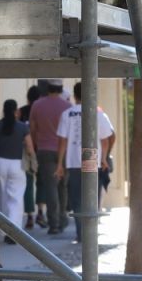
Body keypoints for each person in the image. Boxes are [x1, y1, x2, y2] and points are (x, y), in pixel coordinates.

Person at [55, 82, 116, 227]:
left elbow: (62, 141)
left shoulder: (67, 114)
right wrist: (104, 157)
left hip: (73, 159)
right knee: (92, 197)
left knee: (76, 198)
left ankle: (81, 232)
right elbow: (108, 138)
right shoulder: (97, 112)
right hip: (90, 154)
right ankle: (91, 231)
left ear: (75, 96)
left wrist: (59, 164)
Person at [29, 80, 72, 234]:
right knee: (63, 186)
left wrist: (35, 145)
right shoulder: (68, 107)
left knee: (50, 187)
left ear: (47, 89)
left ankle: (54, 223)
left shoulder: (37, 105)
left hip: (44, 149)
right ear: (61, 89)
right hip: (64, 151)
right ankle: (63, 219)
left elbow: (33, 129)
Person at [0, 99, 29, 242]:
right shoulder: (22, 127)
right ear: (15, 111)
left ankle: (3, 228)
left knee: (2, 196)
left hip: (0, 162)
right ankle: (14, 230)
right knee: (16, 197)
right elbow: (30, 147)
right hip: (17, 164)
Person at [20, 85, 41, 229]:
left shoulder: (21, 111)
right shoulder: (41, 110)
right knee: (42, 184)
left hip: (27, 153)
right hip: (42, 150)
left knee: (28, 185)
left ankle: (30, 216)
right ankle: (41, 212)